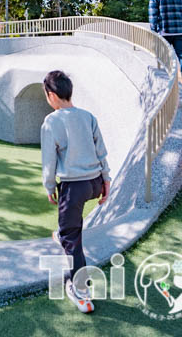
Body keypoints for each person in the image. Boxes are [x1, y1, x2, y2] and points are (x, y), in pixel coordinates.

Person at [41, 70, 111, 314]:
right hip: (93, 183)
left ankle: (80, 290)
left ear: (51, 95)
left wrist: (49, 187)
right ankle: (62, 234)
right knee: (69, 227)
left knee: (72, 236)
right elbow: (101, 151)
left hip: (73, 187)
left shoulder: (51, 121)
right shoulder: (88, 116)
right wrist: (106, 181)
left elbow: (49, 161)